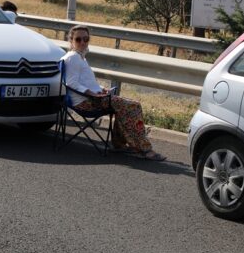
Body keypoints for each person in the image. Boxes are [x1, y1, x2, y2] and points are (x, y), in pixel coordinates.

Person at [60, 25, 167, 161]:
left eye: (86, 39)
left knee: (126, 105)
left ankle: (119, 145)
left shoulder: (80, 57)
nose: (82, 42)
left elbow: (85, 81)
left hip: (93, 98)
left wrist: (100, 89)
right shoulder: (73, 58)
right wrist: (92, 94)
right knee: (132, 106)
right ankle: (145, 149)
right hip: (86, 102)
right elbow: (71, 83)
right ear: (71, 40)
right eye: (78, 39)